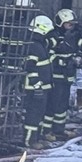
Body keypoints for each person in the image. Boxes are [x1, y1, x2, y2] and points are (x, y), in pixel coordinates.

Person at [22, 15, 54, 148]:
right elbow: (29, 67)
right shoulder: (34, 46)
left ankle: (38, 138)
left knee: (40, 113)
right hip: (34, 87)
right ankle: (29, 141)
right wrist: (37, 85)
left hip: (42, 86)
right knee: (33, 114)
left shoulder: (39, 44)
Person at [52, 9, 82, 135]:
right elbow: (50, 55)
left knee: (63, 105)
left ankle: (59, 130)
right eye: (69, 24)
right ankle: (48, 130)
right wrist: (65, 62)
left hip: (68, 77)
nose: (71, 27)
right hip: (56, 77)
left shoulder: (73, 36)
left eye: (73, 24)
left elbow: (81, 48)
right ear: (61, 22)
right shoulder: (54, 36)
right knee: (54, 104)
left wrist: (79, 59)